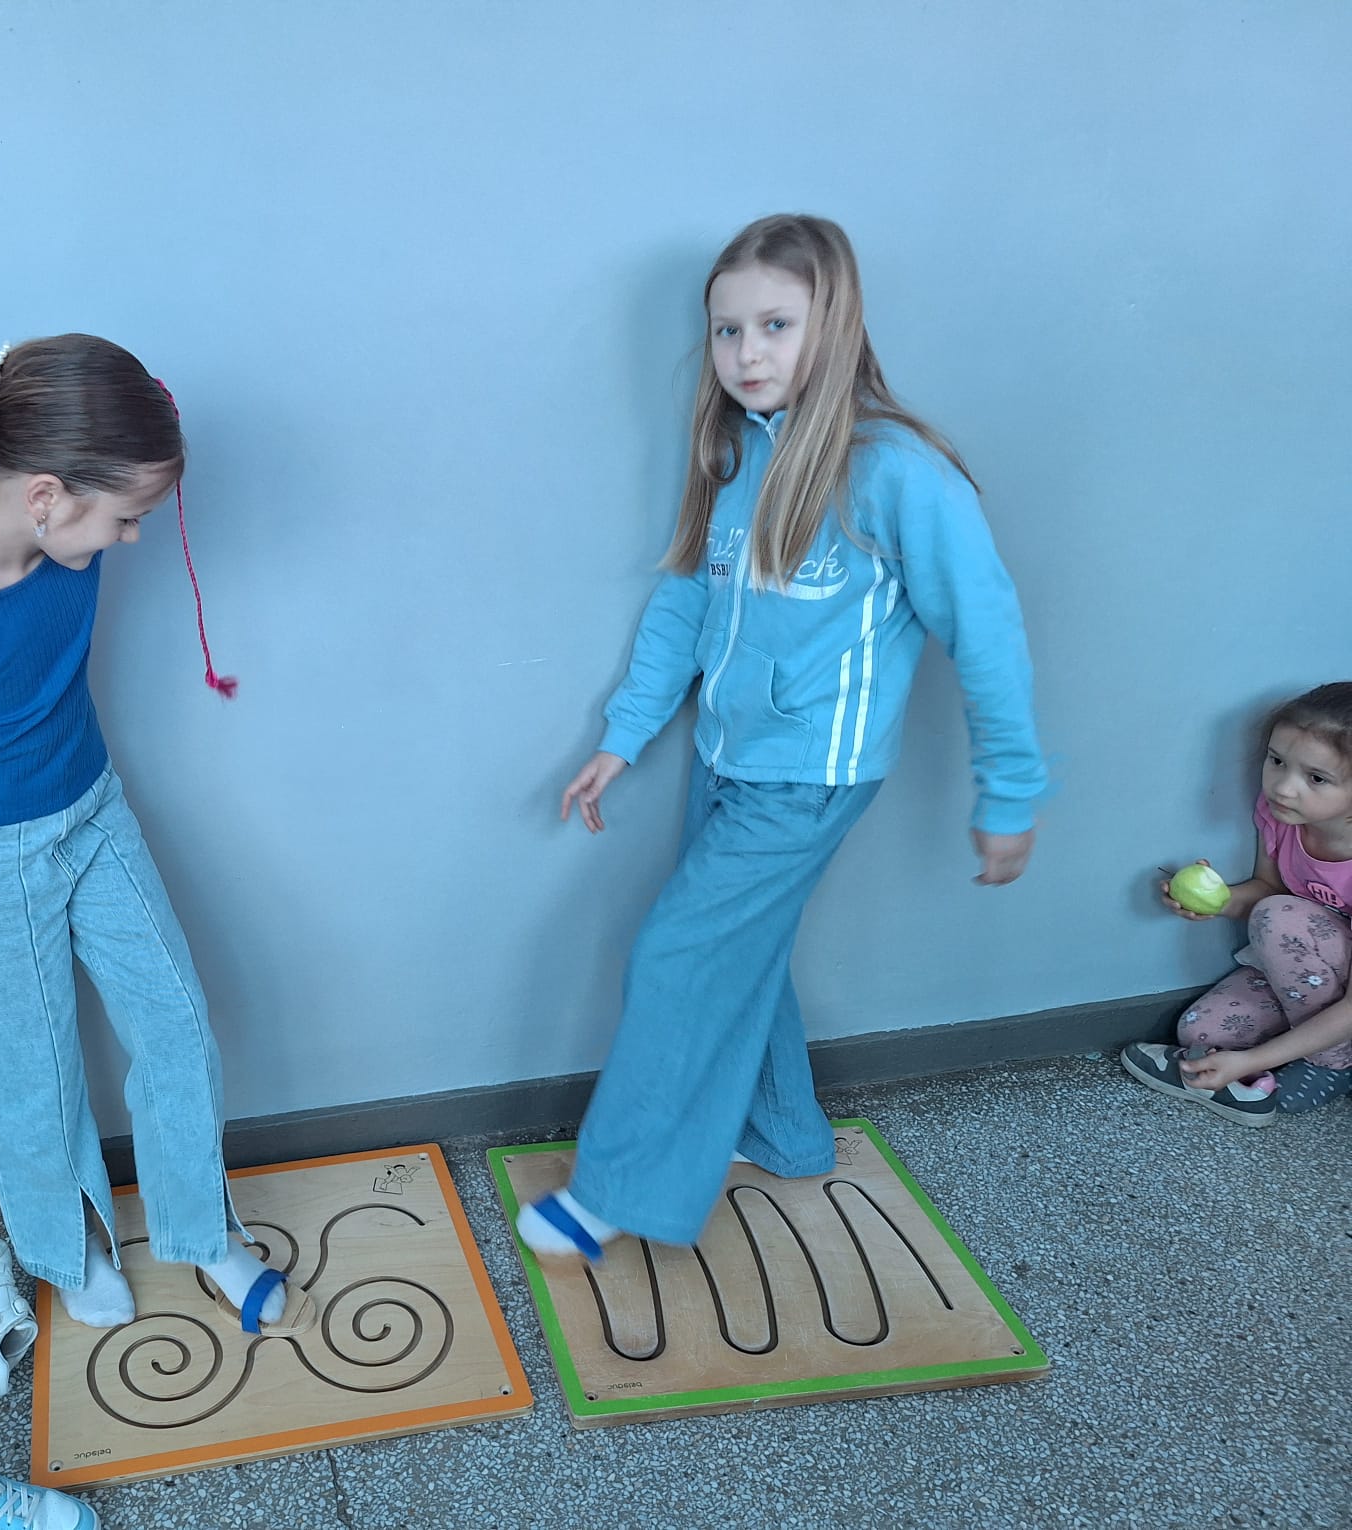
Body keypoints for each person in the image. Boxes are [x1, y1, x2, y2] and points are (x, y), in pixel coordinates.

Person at [516, 214, 1047, 1263]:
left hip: (810, 779)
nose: (746, 353)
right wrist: (626, 735)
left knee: (678, 958)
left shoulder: (897, 473)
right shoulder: (734, 454)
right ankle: (787, 1135)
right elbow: (687, 601)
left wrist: (1010, 795)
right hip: (727, 759)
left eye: (775, 325)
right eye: (727, 330)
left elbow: (988, 637)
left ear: (834, 326)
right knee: (738, 953)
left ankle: (618, 1189)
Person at [0, 336, 293, 1339]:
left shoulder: (66, 542)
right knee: (30, 1079)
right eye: (126, 518)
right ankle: (67, 1253)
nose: (133, 539)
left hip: (92, 817)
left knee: (176, 1027)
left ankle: (199, 1234)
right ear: (45, 496)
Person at [1125, 682, 1352, 1122]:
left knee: (1278, 918)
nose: (1284, 788)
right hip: (1311, 975)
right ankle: (1308, 1044)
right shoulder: (1283, 818)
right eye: (1277, 761)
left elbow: (1277, 914)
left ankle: (1334, 1063)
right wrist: (1220, 901)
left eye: (1316, 778)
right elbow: (1268, 890)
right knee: (1199, 1032)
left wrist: (1252, 1061)